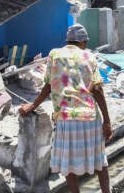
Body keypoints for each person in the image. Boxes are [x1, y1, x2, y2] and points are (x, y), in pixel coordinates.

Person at [19, 24, 113, 193]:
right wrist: (107, 121)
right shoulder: (89, 56)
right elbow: (98, 89)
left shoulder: (54, 54)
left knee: (68, 164)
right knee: (99, 160)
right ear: (83, 42)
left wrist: (32, 105)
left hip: (65, 118)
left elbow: (48, 86)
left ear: (68, 40)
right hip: (89, 117)